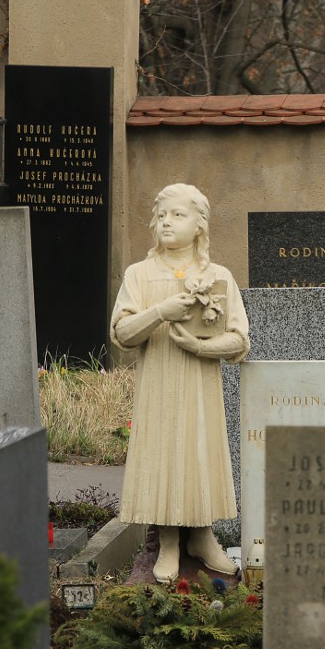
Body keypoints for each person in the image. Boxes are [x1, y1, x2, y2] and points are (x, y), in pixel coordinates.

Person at [111, 183, 250, 583]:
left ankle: (202, 537)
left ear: (199, 225)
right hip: (158, 386)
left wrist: (199, 346)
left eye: (178, 215)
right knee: (162, 454)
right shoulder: (139, 274)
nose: (166, 222)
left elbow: (239, 341)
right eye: (162, 215)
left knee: (199, 452)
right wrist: (161, 311)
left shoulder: (217, 276)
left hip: (199, 387)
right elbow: (122, 334)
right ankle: (168, 540)